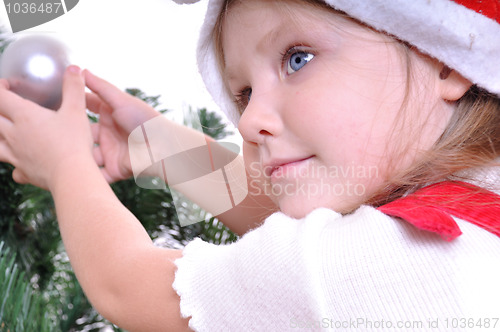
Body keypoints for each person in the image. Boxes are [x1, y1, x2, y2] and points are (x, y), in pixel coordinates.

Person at [1, 0, 500, 330]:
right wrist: (160, 148)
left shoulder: (390, 262)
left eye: (297, 58)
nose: (249, 120)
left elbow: (128, 287)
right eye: (244, 93)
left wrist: (64, 162)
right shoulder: (474, 208)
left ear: (444, 58)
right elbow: (301, 231)